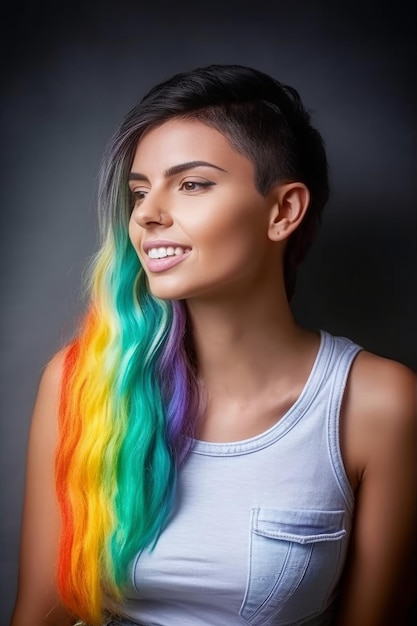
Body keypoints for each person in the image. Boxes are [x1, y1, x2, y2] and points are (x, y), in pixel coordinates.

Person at [10, 64, 416, 626]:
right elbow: (40, 613)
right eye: (139, 191)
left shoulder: (377, 404)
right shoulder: (83, 380)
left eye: (193, 183)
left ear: (283, 211)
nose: (148, 214)